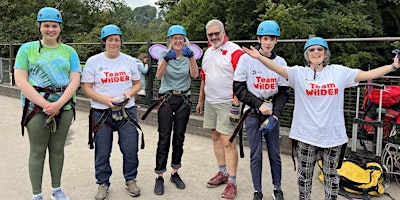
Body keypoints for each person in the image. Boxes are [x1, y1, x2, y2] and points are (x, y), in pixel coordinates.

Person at [242, 36, 400, 200]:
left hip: (332, 137)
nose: (316, 52)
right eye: (312, 49)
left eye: (320, 49)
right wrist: (260, 58)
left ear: (326, 54)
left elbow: (367, 74)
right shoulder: (299, 73)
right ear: (306, 54)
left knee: (331, 176)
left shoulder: (338, 72)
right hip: (305, 135)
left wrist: (394, 66)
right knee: (305, 176)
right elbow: (278, 68)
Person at [14, 7, 81, 200]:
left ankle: (56, 190)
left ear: (60, 28)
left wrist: (58, 104)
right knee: (37, 150)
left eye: (54, 26)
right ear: (40, 27)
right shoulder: (27, 49)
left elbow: (74, 80)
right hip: (34, 107)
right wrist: (45, 104)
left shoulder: (69, 51)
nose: (50, 29)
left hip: (64, 106)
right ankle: (37, 194)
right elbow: (21, 80)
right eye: (46, 26)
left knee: (58, 149)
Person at [81, 24, 142, 200]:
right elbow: (86, 87)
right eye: (110, 40)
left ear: (121, 42)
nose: (114, 43)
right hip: (102, 112)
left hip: (127, 111)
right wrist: (105, 100)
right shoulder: (94, 62)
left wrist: (129, 93)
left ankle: (130, 179)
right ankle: (103, 183)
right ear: (104, 42)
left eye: (117, 40)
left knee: (130, 148)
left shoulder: (129, 60)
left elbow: (137, 83)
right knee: (102, 150)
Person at [233, 20, 290, 200]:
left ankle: (277, 188)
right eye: (265, 38)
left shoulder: (280, 62)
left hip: (272, 113)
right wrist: (259, 105)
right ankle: (257, 191)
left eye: (272, 38)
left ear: (276, 41)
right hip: (253, 112)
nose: (268, 42)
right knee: (255, 154)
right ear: (259, 39)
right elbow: (238, 87)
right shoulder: (246, 59)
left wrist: (276, 114)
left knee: (275, 153)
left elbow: (283, 92)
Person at [196, 19, 244, 200]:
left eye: (217, 33)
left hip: (228, 103)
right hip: (211, 102)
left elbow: (241, 80)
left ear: (223, 32)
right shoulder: (207, 53)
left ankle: (232, 181)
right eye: (210, 34)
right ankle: (222, 172)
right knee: (215, 137)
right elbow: (204, 78)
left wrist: (235, 104)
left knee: (228, 142)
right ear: (207, 36)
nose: (214, 37)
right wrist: (201, 100)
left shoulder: (234, 50)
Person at [153, 24, 198, 196]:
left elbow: (194, 75)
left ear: (185, 40)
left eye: (181, 38)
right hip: (167, 98)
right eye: (175, 38)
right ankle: (159, 175)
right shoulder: (164, 54)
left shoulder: (188, 55)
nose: (178, 41)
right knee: (164, 137)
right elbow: (158, 76)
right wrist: (166, 60)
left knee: (179, 137)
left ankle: (175, 172)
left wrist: (192, 57)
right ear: (170, 40)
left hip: (184, 99)